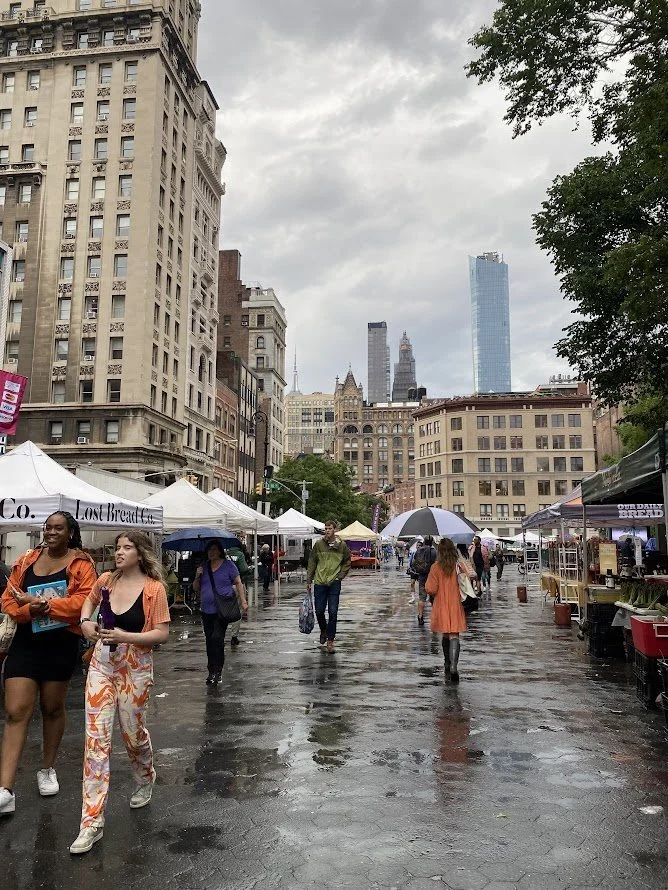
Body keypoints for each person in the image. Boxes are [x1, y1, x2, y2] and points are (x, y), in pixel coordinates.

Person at [69, 530, 170, 854]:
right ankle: (91, 822)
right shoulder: (106, 581)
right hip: (102, 665)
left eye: (127, 547)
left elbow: (161, 634)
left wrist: (126, 636)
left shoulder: (154, 589)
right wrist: (85, 621)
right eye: (117, 547)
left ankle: (145, 776)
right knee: (96, 743)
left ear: (140, 553)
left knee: (133, 735)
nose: (120, 552)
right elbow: (89, 602)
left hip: (135, 668)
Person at [0, 512, 96, 817]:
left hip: (60, 645)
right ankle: (5, 789)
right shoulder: (27, 560)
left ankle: (47, 768)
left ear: (70, 532)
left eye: (58, 528)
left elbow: (82, 603)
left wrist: (43, 605)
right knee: (15, 711)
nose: (51, 532)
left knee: (52, 708)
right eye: (48, 527)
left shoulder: (82, 564)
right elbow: (8, 600)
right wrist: (31, 610)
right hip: (25, 643)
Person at [192, 540, 247, 684]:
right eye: (209, 550)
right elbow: (195, 588)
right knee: (209, 641)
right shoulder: (203, 567)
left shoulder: (228, 565)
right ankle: (211, 670)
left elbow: (238, 583)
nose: (211, 552)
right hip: (206, 610)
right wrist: (197, 576)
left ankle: (218, 670)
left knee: (217, 638)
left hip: (222, 609)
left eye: (214, 549)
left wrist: (243, 601)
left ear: (220, 551)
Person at [424, 538, 468, 683]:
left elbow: (431, 588)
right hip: (456, 604)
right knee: (454, 634)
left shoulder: (435, 567)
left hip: (441, 604)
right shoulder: (458, 565)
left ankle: (447, 663)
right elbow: (469, 578)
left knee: (445, 633)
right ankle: (454, 667)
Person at [306, 520, 351, 653]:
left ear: (335, 530)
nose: (327, 531)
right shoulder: (319, 544)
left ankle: (330, 641)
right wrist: (309, 580)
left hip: (334, 583)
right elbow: (312, 562)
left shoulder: (342, 546)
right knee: (319, 611)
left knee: (333, 612)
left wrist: (339, 576)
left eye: (330, 528)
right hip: (320, 582)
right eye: (326, 528)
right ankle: (323, 630)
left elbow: (347, 562)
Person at [225, 542, 253, 647]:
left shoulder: (225, 554)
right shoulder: (240, 554)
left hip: (225, 586)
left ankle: (221, 633)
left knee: (224, 609)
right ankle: (234, 636)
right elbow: (244, 569)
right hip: (237, 584)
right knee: (237, 610)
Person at [411, 535, 437, 626]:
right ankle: (435, 615)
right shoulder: (434, 552)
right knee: (433, 597)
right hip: (432, 577)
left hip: (422, 576)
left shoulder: (419, 550)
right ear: (432, 542)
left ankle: (420, 616)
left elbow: (413, 562)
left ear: (424, 542)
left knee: (422, 597)